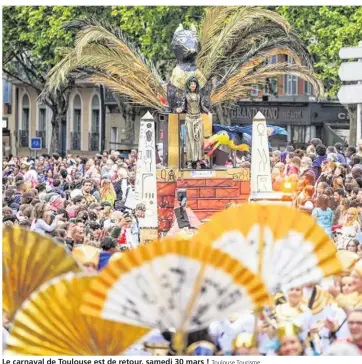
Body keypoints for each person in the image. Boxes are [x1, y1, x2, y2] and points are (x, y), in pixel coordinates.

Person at [176, 76, 209, 169]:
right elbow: (183, 107)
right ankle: (189, 161)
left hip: (198, 118)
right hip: (189, 119)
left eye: (194, 84)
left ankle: (199, 161)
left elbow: (202, 106)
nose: (193, 85)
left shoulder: (199, 95)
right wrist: (179, 109)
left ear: (196, 85)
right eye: (191, 84)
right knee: (190, 140)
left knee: (199, 140)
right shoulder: (185, 96)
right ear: (189, 86)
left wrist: (208, 112)